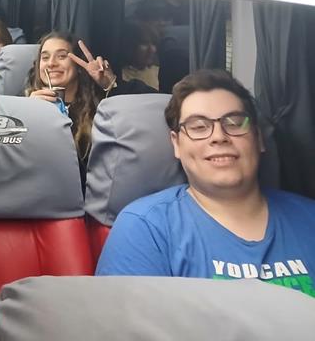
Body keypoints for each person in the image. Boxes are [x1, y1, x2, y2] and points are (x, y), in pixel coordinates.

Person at [96, 70, 315, 299]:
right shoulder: (145, 229)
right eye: (198, 127)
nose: (219, 136)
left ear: (258, 138)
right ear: (176, 144)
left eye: (235, 123)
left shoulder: (309, 219)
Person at [25, 31, 130, 178]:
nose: (51, 63)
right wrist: (26, 113)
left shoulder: (100, 107)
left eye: (61, 56)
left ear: (79, 65)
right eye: (45, 57)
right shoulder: (24, 104)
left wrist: (111, 85)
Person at [120, 22, 160, 90]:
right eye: (144, 43)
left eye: (153, 44)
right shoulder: (118, 75)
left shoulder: (159, 72)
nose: (152, 49)